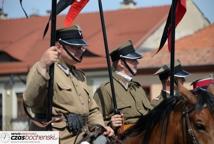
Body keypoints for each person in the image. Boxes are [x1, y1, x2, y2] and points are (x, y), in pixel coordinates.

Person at [23, 25, 114, 144]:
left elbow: (92, 110)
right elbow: (30, 101)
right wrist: (43, 65)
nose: (81, 50)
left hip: (82, 135)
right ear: (59, 47)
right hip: (56, 138)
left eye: (81, 46)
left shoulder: (79, 75)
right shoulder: (43, 69)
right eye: (75, 47)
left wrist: (100, 127)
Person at [94, 40, 153, 133]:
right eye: (133, 60)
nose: (137, 63)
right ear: (121, 63)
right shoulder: (106, 89)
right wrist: (110, 123)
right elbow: (94, 123)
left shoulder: (137, 87)